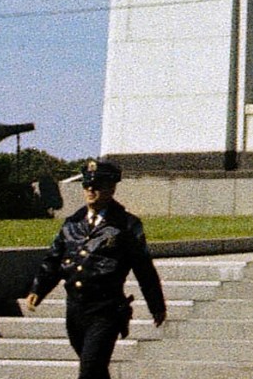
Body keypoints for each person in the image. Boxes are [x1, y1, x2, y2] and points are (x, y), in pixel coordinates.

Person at [24, 160, 167, 379]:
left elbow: (143, 268)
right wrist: (38, 288)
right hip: (75, 310)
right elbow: (53, 260)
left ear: (111, 188)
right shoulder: (72, 224)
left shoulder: (126, 225)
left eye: (97, 185)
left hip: (106, 311)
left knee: (89, 370)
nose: (90, 190)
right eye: (87, 185)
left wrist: (156, 305)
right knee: (96, 370)